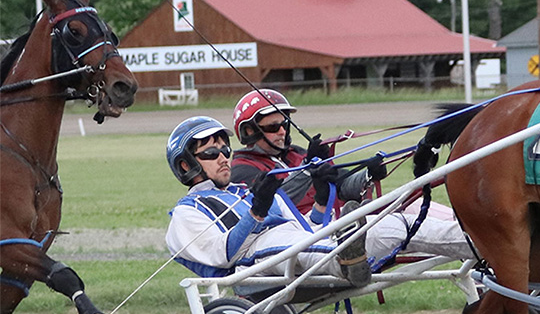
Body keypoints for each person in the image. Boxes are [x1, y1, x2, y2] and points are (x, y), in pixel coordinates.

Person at [229, 89, 474, 267]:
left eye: (285, 125)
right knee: (404, 222)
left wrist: (368, 173)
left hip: (343, 219)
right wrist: (307, 170)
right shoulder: (242, 169)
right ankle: (481, 246)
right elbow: (270, 200)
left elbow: (343, 184)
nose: (282, 131)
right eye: (273, 127)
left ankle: (478, 236)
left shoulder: (298, 154)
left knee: (419, 206)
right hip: (310, 236)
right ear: (249, 132)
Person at [165, 115, 371, 285]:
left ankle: (402, 231)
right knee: (288, 243)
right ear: (185, 165)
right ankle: (344, 261)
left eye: (225, 150)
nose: (223, 158)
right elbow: (222, 253)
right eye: (211, 153)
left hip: (291, 247)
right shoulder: (187, 212)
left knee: (376, 226)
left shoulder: (247, 190)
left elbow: (304, 230)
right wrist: (257, 212)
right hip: (252, 261)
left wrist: (321, 201)